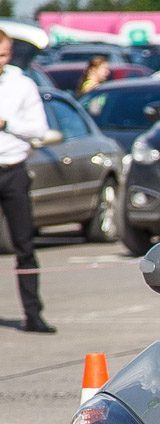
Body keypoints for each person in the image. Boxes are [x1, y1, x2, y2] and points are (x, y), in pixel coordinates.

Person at [0, 29, 55, 333]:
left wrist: (7, 123)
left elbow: (38, 130)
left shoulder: (22, 85)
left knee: (24, 245)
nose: (0, 61)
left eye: (4, 55)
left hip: (13, 169)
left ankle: (33, 314)